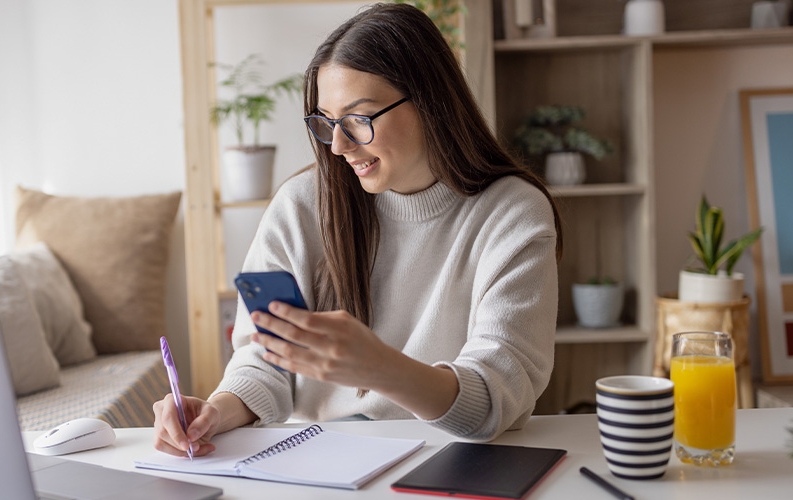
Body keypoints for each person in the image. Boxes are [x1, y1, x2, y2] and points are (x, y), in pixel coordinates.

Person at [153, 2, 562, 458]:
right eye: (326, 123)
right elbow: (265, 361)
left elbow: (497, 397)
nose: (340, 146)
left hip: (451, 460)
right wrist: (215, 411)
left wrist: (379, 367)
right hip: (320, 463)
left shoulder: (511, 214)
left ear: (430, 102)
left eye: (359, 118)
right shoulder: (301, 205)